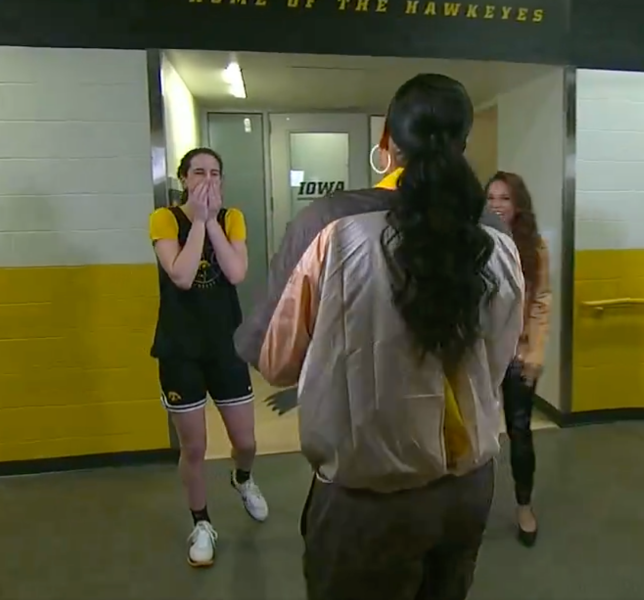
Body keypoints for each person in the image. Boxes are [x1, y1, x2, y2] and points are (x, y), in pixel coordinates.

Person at [236, 74, 525, 600]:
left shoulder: (332, 224)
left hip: (368, 499)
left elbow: (274, 361)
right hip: (469, 487)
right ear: (462, 145)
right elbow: (500, 355)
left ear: (387, 141)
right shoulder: (497, 236)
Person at [148, 147, 269, 568]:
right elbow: (180, 275)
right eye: (198, 172)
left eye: (215, 173)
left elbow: (236, 272)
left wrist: (212, 221)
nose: (207, 179)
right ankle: (201, 523)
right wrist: (197, 220)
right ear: (184, 179)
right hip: (180, 348)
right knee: (195, 446)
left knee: (246, 441)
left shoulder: (232, 217)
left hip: (224, 345)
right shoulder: (165, 219)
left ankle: (243, 477)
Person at [485, 171, 551, 546]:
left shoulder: (534, 247)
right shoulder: (475, 242)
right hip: (480, 358)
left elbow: (542, 300)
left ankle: (524, 505)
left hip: (517, 355)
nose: (496, 204)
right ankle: (468, 508)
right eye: (491, 197)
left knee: (520, 432)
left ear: (518, 204)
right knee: (475, 438)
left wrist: (535, 351)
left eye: (504, 198)